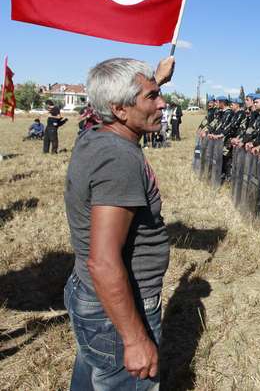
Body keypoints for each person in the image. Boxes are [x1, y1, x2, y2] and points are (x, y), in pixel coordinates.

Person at [64, 56, 175, 389]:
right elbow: (104, 260)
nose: (162, 102)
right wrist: (134, 339)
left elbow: (121, 102)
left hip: (92, 296)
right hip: (118, 306)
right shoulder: (119, 159)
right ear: (120, 110)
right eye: (152, 97)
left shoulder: (94, 133)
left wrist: (154, 79)